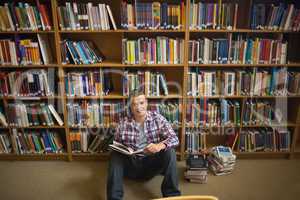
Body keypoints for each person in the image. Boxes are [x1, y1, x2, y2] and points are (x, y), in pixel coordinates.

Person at [106, 89, 181, 200]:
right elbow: (117, 143)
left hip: (151, 164)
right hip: (131, 165)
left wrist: (159, 146)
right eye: (134, 104)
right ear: (130, 107)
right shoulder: (123, 122)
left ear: (146, 103)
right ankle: (114, 198)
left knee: (170, 152)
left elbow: (174, 138)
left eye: (141, 103)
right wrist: (123, 149)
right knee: (115, 155)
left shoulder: (158, 119)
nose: (138, 107)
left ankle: (172, 196)